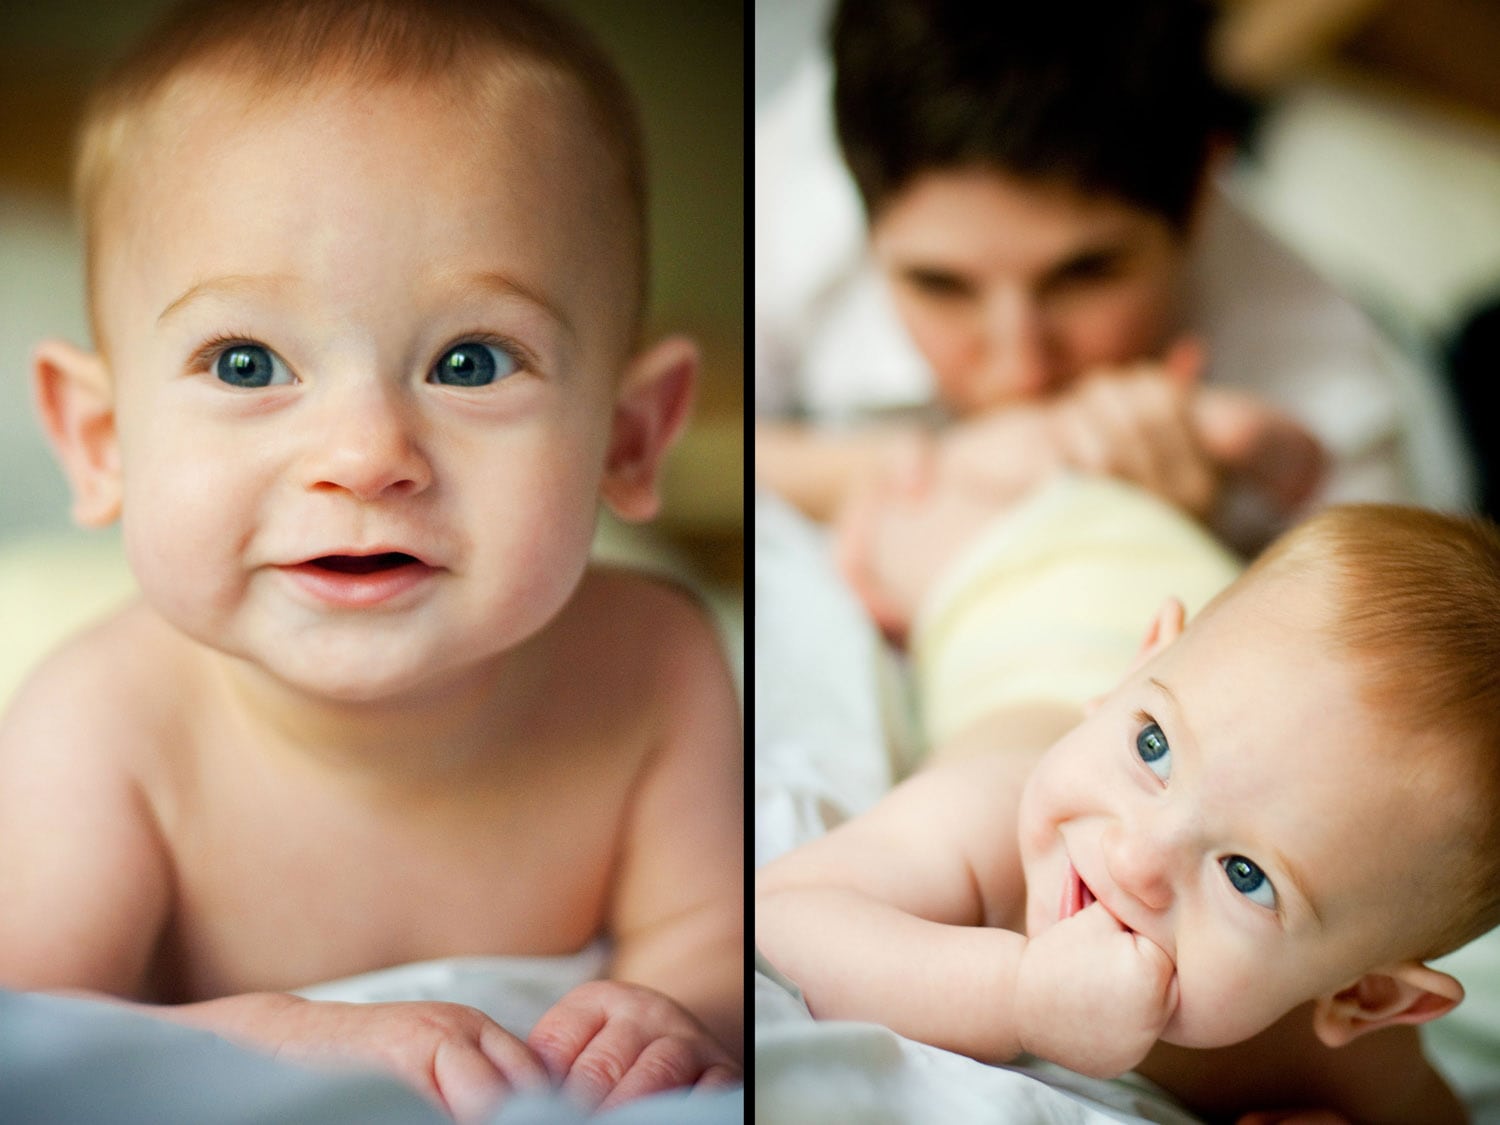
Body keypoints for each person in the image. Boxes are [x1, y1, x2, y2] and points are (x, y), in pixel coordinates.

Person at [0, 0, 743, 1120]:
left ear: (630, 437)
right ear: (101, 443)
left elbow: (715, 937)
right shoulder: (102, 727)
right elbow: (33, 1030)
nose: (365, 457)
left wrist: (674, 1008)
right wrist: (281, 1040)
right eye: (246, 363)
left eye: (473, 359)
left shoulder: (657, 669)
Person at [757, 482, 1500, 1122]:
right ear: (1132, 675)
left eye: (1246, 874)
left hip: (1215, 678)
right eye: (1153, 748)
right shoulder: (986, 823)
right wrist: (1017, 995)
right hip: (1037, 613)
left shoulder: (1346, 1059)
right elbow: (785, 914)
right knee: (917, 533)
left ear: (1364, 995)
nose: (1137, 855)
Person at [754, 0, 1472, 555]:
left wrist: (1182, 544)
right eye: (940, 285)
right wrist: (935, 468)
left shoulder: (1342, 408)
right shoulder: (803, 166)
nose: (1021, 368)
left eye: (1085, 274)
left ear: (1199, 197)